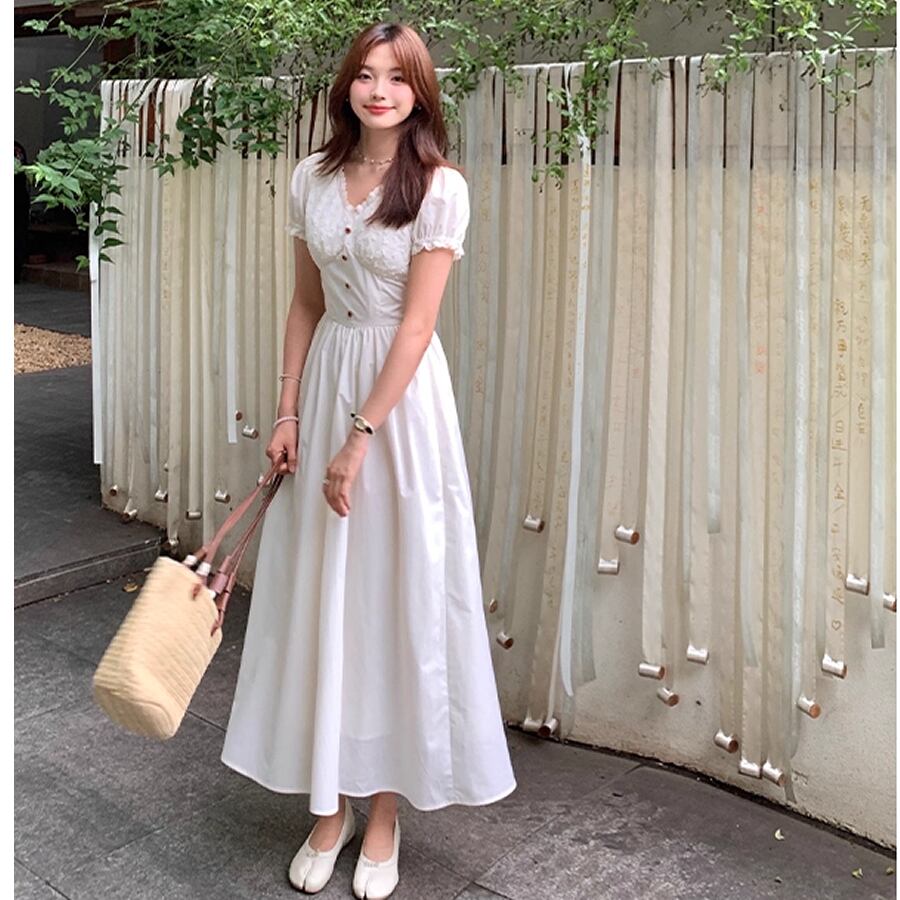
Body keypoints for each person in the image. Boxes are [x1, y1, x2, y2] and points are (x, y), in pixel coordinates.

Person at [220, 21, 517, 899]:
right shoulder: (311, 178)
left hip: (401, 407)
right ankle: (331, 805)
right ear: (346, 85)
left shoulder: (439, 189)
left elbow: (417, 328)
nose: (379, 90)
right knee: (325, 595)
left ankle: (383, 811)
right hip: (326, 385)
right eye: (365, 74)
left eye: (397, 77)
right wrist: (288, 409)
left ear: (419, 93)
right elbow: (306, 303)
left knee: (394, 597)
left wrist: (359, 437)